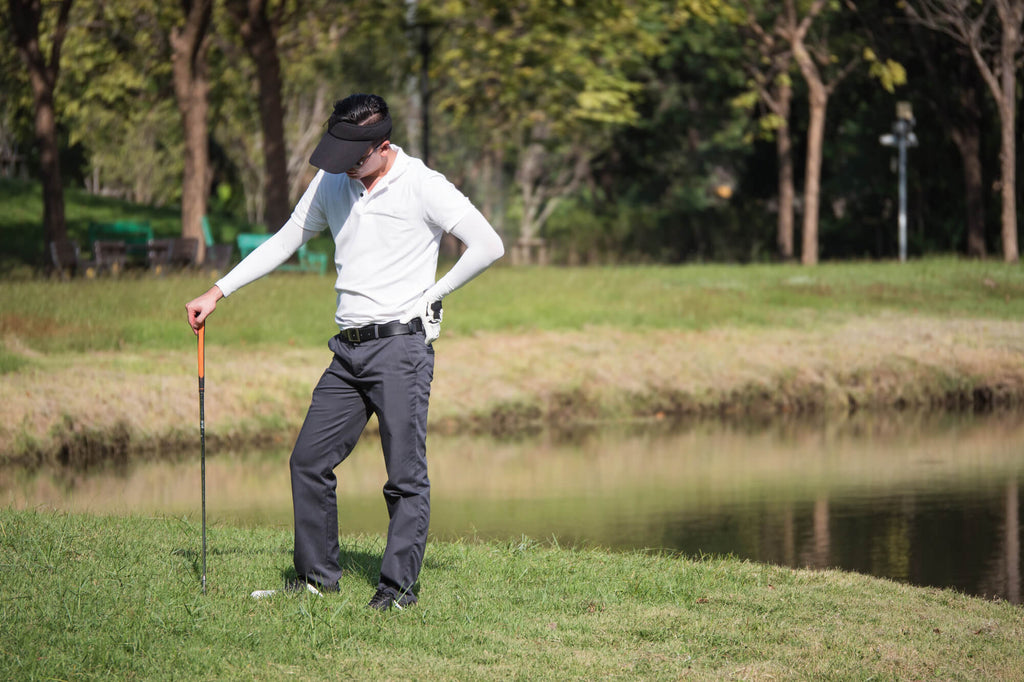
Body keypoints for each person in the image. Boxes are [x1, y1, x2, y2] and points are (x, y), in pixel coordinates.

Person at [185, 93, 504, 610]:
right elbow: (288, 238)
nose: (347, 170)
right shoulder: (334, 178)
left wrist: (433, 296)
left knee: (403, 476)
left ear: (382, 147)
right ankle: (316, 580)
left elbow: (489, 244)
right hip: (347, 352)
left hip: (401, 349)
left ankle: (397, 591)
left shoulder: (423, 185)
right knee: (308, 461)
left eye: (355, 160)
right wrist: (218, 290)